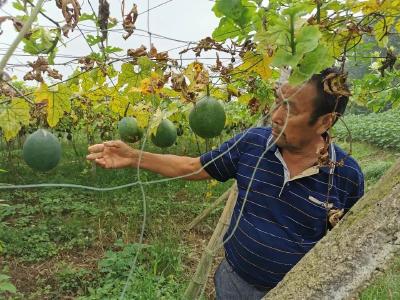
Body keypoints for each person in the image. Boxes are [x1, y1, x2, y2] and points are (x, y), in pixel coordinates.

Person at [86, 67, 364, 299]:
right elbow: (193, 167)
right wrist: (134, 156)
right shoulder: (251, 143)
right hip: (233, 282)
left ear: (325, 121)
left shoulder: (346, 177)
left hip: (296, 293)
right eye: (278, 101)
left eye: (291, 108)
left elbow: (346, 247)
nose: (276, 115)